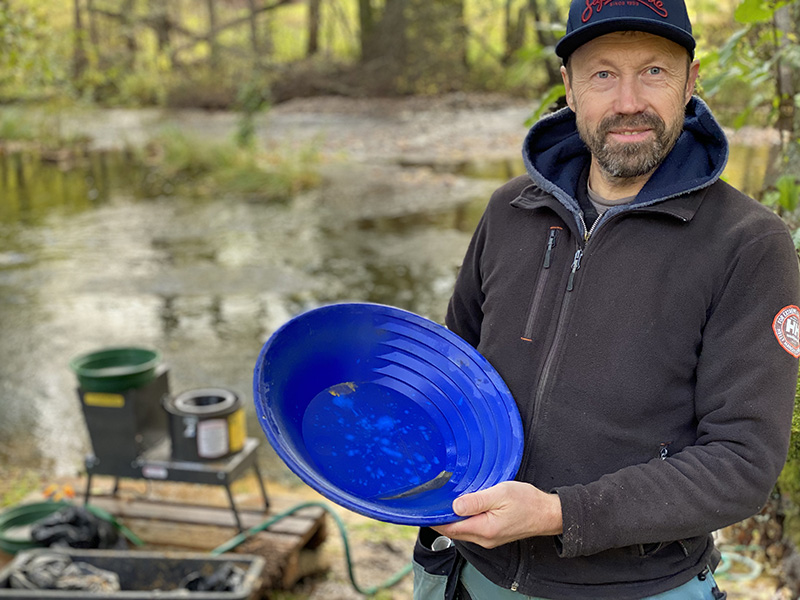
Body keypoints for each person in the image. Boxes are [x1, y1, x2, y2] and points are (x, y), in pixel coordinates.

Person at [411, 0, 800, 598]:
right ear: (568, 87)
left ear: (692, 82)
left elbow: (742, 464)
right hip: (474, 576)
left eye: (654, 71)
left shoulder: (749, 243)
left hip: (642, 587)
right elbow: (451, 383)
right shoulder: (509, 211)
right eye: (602, 74)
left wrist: (559, 513)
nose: (628, 102)